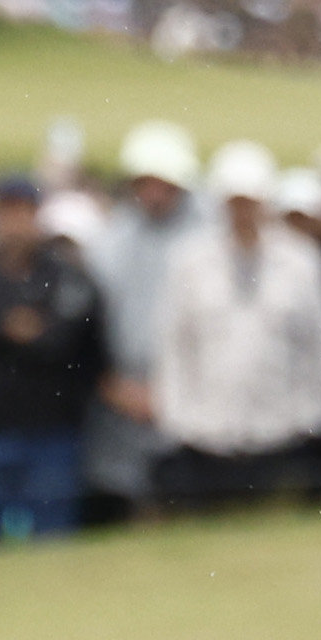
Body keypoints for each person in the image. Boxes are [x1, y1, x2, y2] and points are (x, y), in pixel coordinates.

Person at [149, 143, 321, 512]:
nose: (242, 212)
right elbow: (174, 344)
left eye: (249, 201)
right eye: (233, 202)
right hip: (205, 433)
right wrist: (176, 415)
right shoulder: (189, 263)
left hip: (281, 432)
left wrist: (313, 414)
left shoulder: (302, 262)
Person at [0, 178, 104, 544]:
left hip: (50, 434)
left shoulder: (63, 276)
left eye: (21, 212)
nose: (13, 222)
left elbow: (60, 341)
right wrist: (10, 327)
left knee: (50, 543)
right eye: (5, 212)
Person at [85, 123, 198, 522]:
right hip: (120, 400)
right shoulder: (108, 241)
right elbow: (87, 329)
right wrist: (115, 386)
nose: (153, 193)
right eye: (144, 182)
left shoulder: (207, 237)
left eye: (163, 183)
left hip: (192, 402)